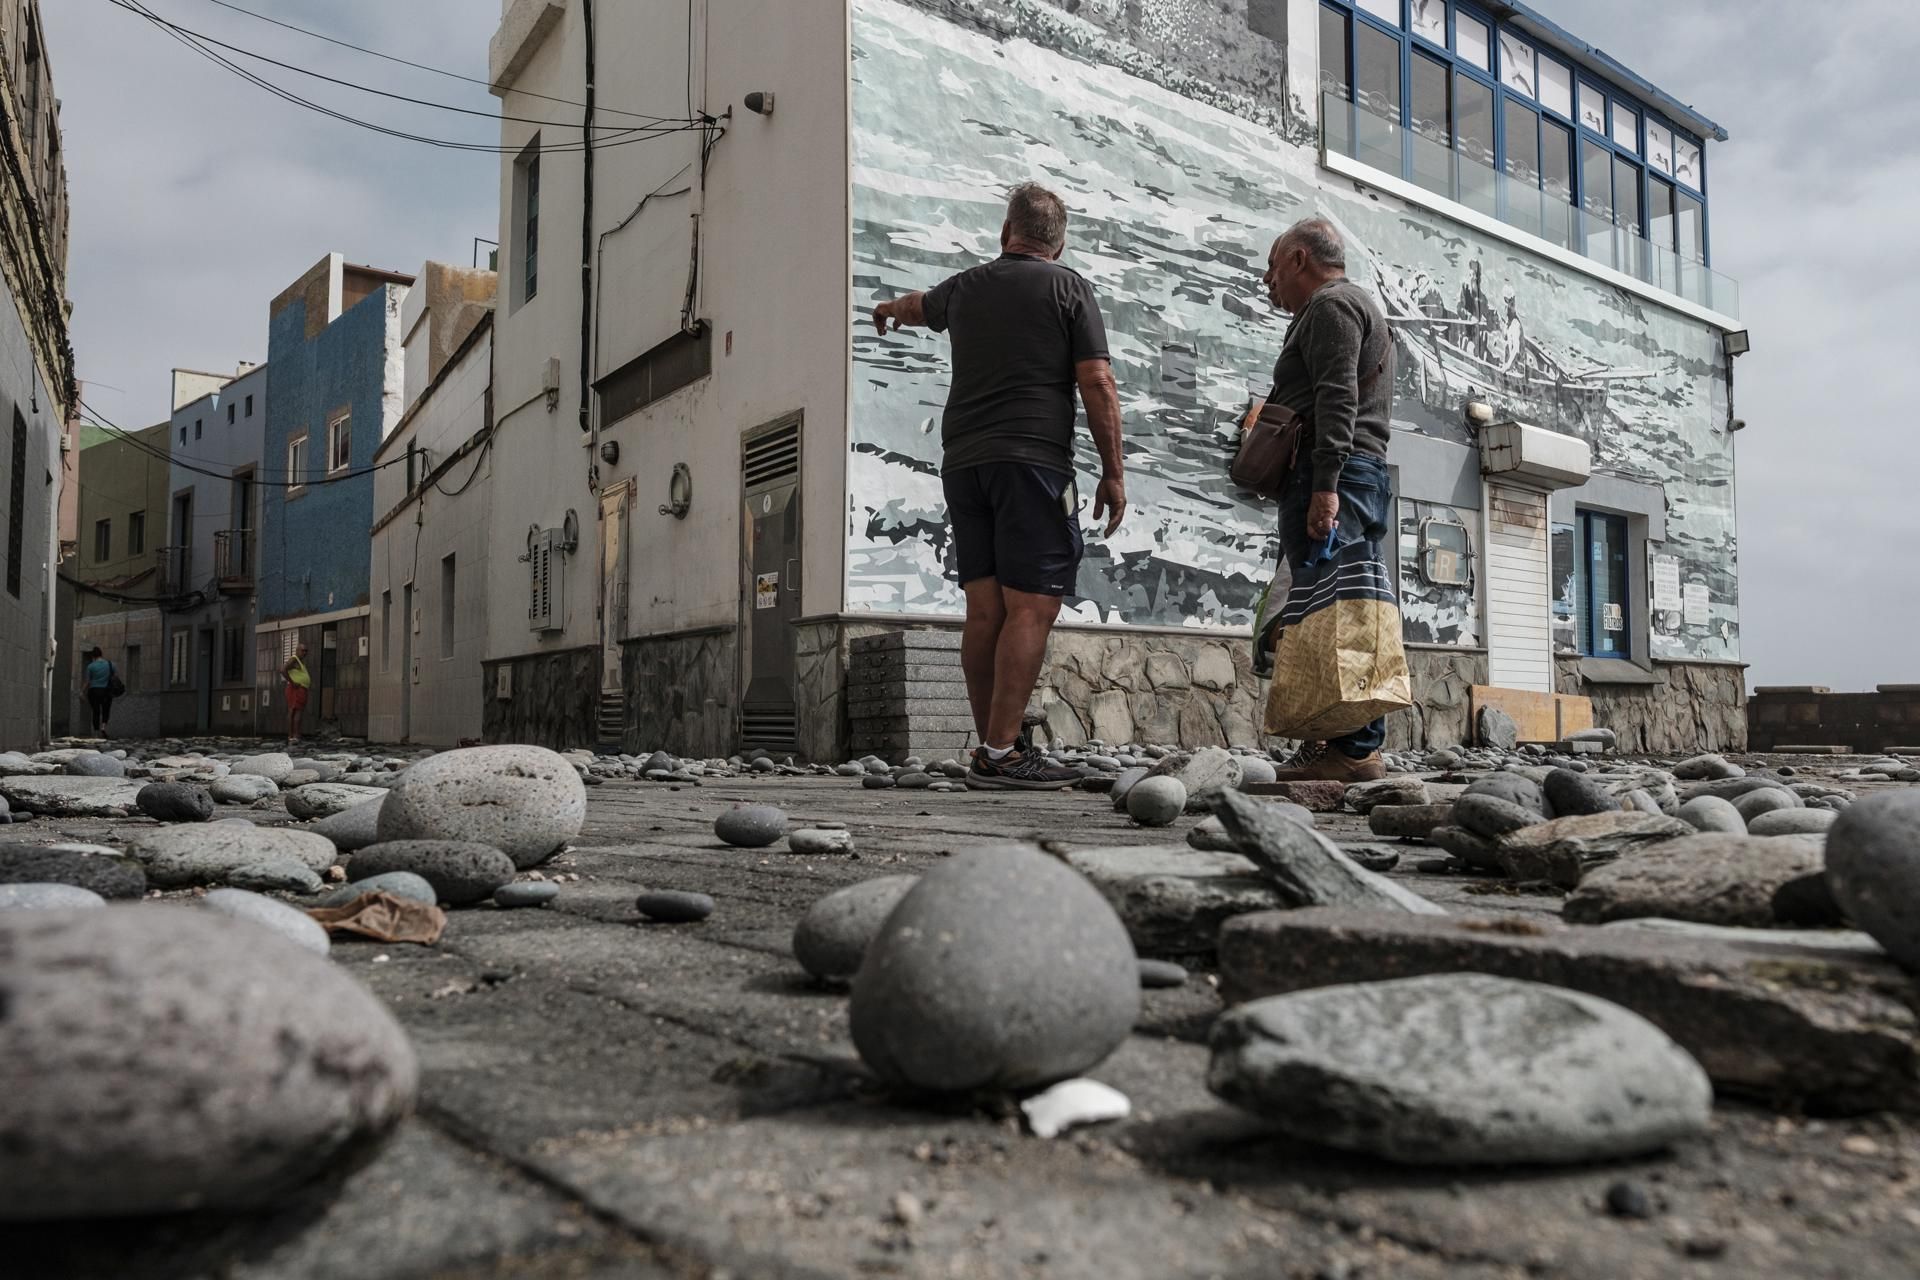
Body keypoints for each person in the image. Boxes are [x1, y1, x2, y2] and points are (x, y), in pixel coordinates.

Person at [870, 182, 1126, 790]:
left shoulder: (965, 287)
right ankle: (1004, 750)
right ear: (1056, 244)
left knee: (984, 607)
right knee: (1033, 603)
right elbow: (1097, 382)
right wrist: (1113, 470)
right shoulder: (1069, 288)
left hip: (964, 464)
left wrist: (884, 310)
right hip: (1032, 461)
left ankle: (991, 747)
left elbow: (914, 305)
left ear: (1005, 234)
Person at [1258, 216, 1397, 783]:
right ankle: (1330, 744)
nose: (1269, 283)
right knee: (1324, 610)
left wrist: (1324, 487)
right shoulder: (1349, 306)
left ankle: (1356, 750)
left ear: (1298, 259)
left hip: (1334, 472)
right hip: (1345, 472)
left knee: (1338, 612)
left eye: (1272, 268)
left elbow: (1337, 397)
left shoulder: (1332, 307)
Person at [1456, 258, 1490, 359]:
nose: (1474, 276)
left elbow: (1486, 314)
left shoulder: (1482, 297)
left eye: (1476, 273)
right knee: (1467, 344)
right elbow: (1459, 308)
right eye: (1472, 272)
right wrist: (1470, 317)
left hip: (1476, 333)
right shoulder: (1464, 288)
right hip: (1464, 330)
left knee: (1483, 337)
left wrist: (1488, 318)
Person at [81, 646, 115, 736]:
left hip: (94, 691)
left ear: (93, 656)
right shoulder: (110, 664)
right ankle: (103, 727)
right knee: (106, 710)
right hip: (107, 691)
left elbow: (88, 681)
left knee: (96, 711)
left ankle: (96, 732)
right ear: (101, 654)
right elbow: (113, 676)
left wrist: (82, 691)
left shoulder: (90, 666)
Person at [282, 642, 312, 743]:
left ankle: (294, 734)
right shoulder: (294, 659)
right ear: (297, 650)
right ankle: (294, 735)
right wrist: (292, 682)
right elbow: (283, 669)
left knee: (297, 711)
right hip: (296, 689)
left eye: (306, 651)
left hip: (300, 689)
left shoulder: (299, 662)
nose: (305, 653)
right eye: (303, 650)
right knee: (295, 711)